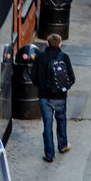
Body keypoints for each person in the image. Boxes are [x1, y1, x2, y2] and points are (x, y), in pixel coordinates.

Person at [31, 33, 75, 162]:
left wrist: (41, 87)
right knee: (61, 120)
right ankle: (63, 145)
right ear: (60, 44)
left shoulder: (40, 57)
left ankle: (49, 154)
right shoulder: (64, 57)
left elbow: (33, 77)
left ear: (47, 44)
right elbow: (72, 77)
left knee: (47, 124)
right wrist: (64, 88)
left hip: (45, 97)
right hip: (60, 96)